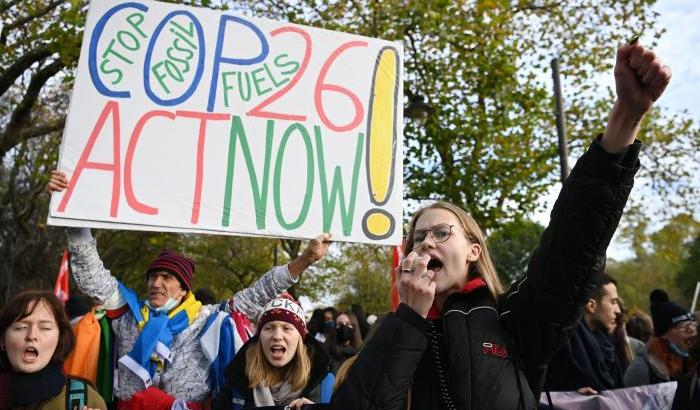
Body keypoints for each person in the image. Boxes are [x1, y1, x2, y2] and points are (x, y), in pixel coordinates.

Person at [331, 41, 671, 409]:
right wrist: (409, 317)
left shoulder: (512, 320)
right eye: (417, 238)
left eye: (441, 233)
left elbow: (572, 248)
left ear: (473, 251)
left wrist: (626, 115)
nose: (426, 243)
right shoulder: (392, 331)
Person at [49, 172, 332, 407]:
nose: (156, 283)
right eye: (153, 277)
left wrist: (305, 260)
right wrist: (72, 212)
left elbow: (259, 292)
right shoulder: (128, 314)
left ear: (183, 289)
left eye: (166, 278)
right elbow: (91, 275)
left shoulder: (208, 319)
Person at [214, 294, 334, 409]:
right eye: (269, 328)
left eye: (287, 328)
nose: (277, 336)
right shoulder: (235, 384)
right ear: (259, 338)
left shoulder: (325, 386)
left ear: (301, 339)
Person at [0, 290, 107, 409]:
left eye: (45, 328)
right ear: (2, 340)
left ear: (59, 340)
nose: (32, 336)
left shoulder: (84, 399)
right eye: (21, 327)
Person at [544, 272, 624, 393]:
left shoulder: (606, 344)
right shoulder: (564, 345)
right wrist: (571, 395)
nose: (618, 310)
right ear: (591, 305)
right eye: (613, 302)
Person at [624, 289, 697, 387]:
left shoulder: (692, 362)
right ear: (663, 335)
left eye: (692, 324)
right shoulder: (641, 370)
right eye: (682, 326)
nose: (691, 330)